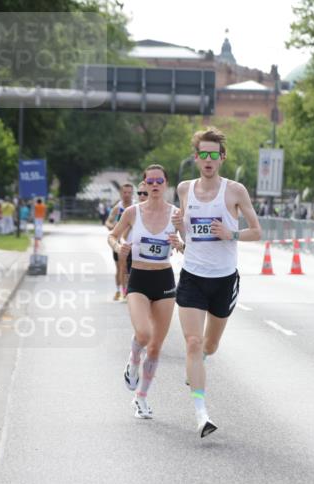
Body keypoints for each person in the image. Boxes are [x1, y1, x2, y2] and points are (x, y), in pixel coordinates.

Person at [171, 127, 261, 438]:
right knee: (193, 343)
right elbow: (188, 237)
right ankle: (201, 414)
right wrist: (179, 228)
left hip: (224, 280)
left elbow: (257, 232)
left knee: (210, 345)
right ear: (196, 158)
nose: (208, 160)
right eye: (203, 155)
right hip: (192, 276)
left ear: (221, 158)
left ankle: (200, 363)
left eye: (214, 155)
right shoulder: (185, 189)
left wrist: (231, 234)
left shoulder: (235, 191)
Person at [107, 165, 178, 419]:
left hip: (165, 279)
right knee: (144, 334)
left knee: (157, 346)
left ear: (166, 184)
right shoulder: (132, 212)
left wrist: (180, 243)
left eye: (160, 180)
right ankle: (133, 358)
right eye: (151, 181)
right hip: (138, 278)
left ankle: (141, 398)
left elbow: (189, 245)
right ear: (145, 185)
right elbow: (112, 236)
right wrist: (119, 247)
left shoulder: (177, 214)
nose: (155, 184)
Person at [105, 184, 134, 301]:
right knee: (120, 268)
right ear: (121, 193)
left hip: (132, 242)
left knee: (131, 268)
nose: (126, 195)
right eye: (124, 192)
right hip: (118, 243)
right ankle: (119, 291)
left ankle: (129, 291)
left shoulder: (136, 207)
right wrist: (113, 226)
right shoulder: (118, 208)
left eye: (129, 192)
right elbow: (108, 222)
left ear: (132, 193)